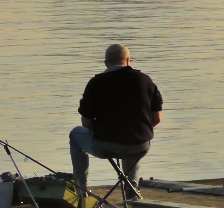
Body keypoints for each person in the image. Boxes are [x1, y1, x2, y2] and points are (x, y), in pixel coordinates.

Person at [69, 44, 163, 198]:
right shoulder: (145, 80)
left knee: (75, 135)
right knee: (134, 138)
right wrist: (135, 130)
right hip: (139, 146)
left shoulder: (96, 83)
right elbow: (156, 118)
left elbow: (86, 123)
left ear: (106, 63)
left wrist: (103, 130)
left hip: (105, 146)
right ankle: (131, 185)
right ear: (128, 61)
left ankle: (82, 190)